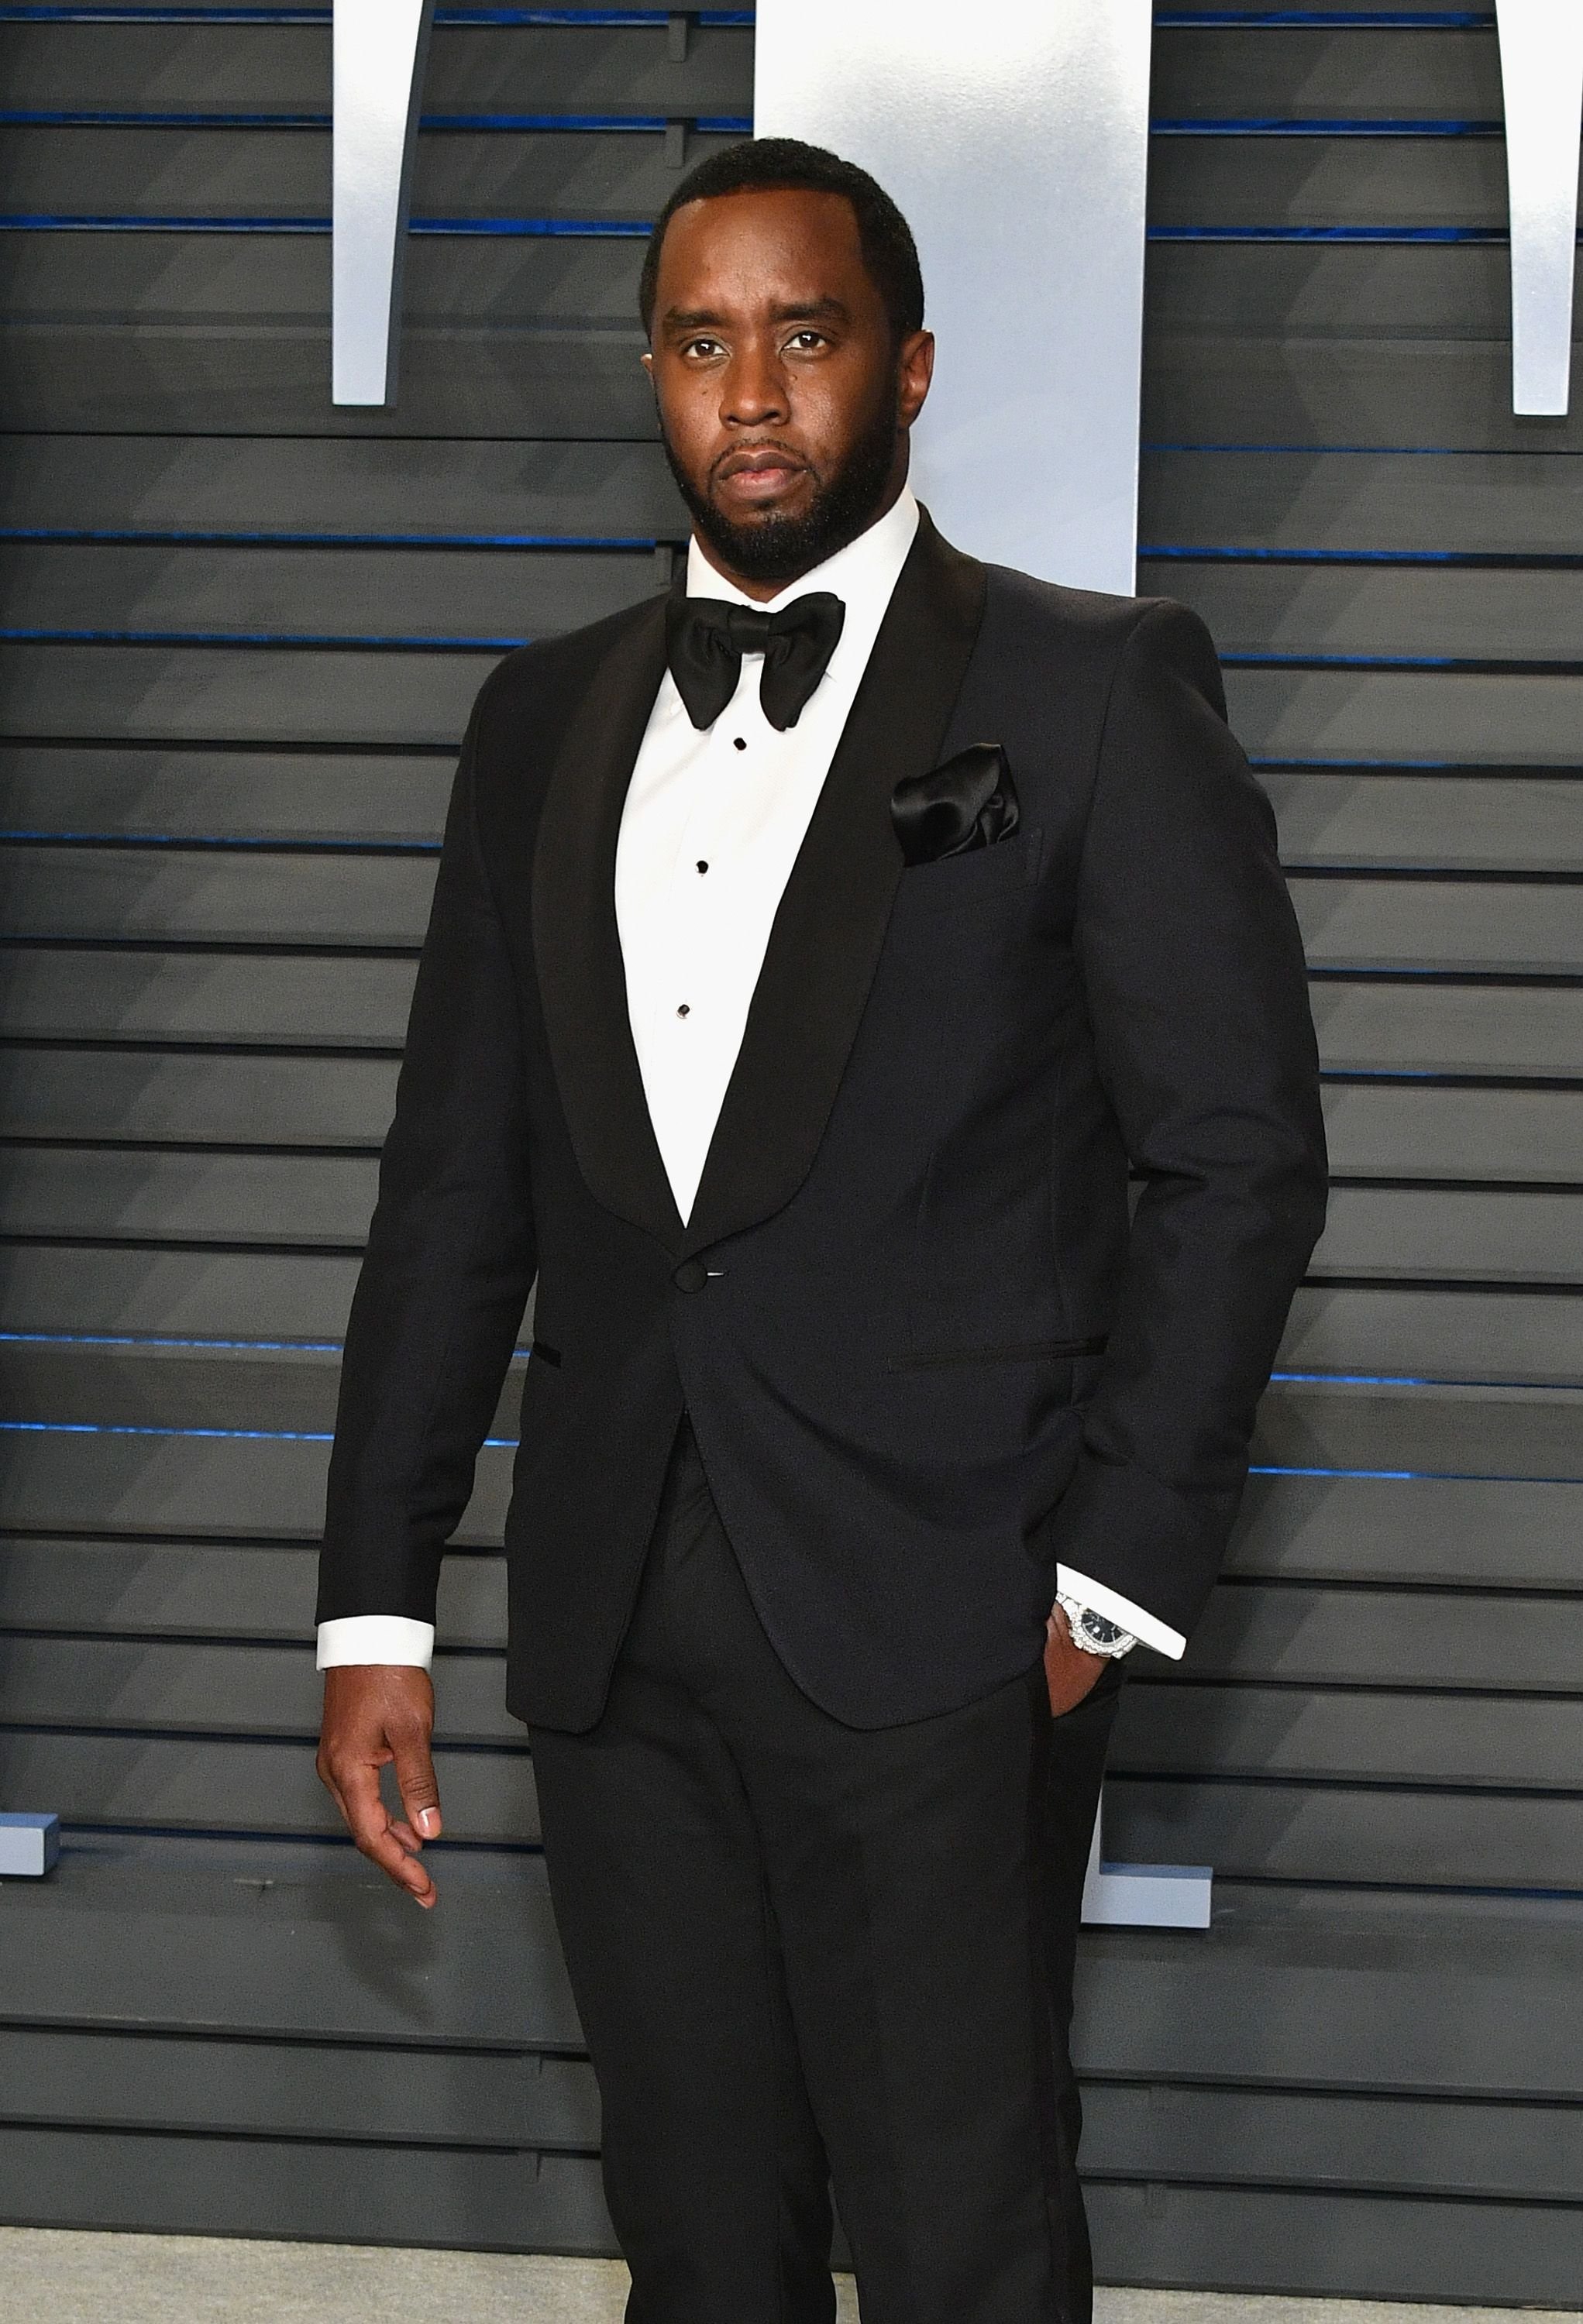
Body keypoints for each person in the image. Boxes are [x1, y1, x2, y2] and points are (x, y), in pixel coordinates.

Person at [315, 138, 1327, 2324]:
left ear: (911, 366)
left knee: (961, 2242)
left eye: (803, 333)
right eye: (700, 341)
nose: (749, 395)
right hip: (613, 1609)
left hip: (951, 1612)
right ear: (651, 375)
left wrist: (1121, 1565)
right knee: (695, 2242)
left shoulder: (1086, 687)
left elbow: (1232, 1152)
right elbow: (450, 1185)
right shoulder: (536, 723)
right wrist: (371, 1612)